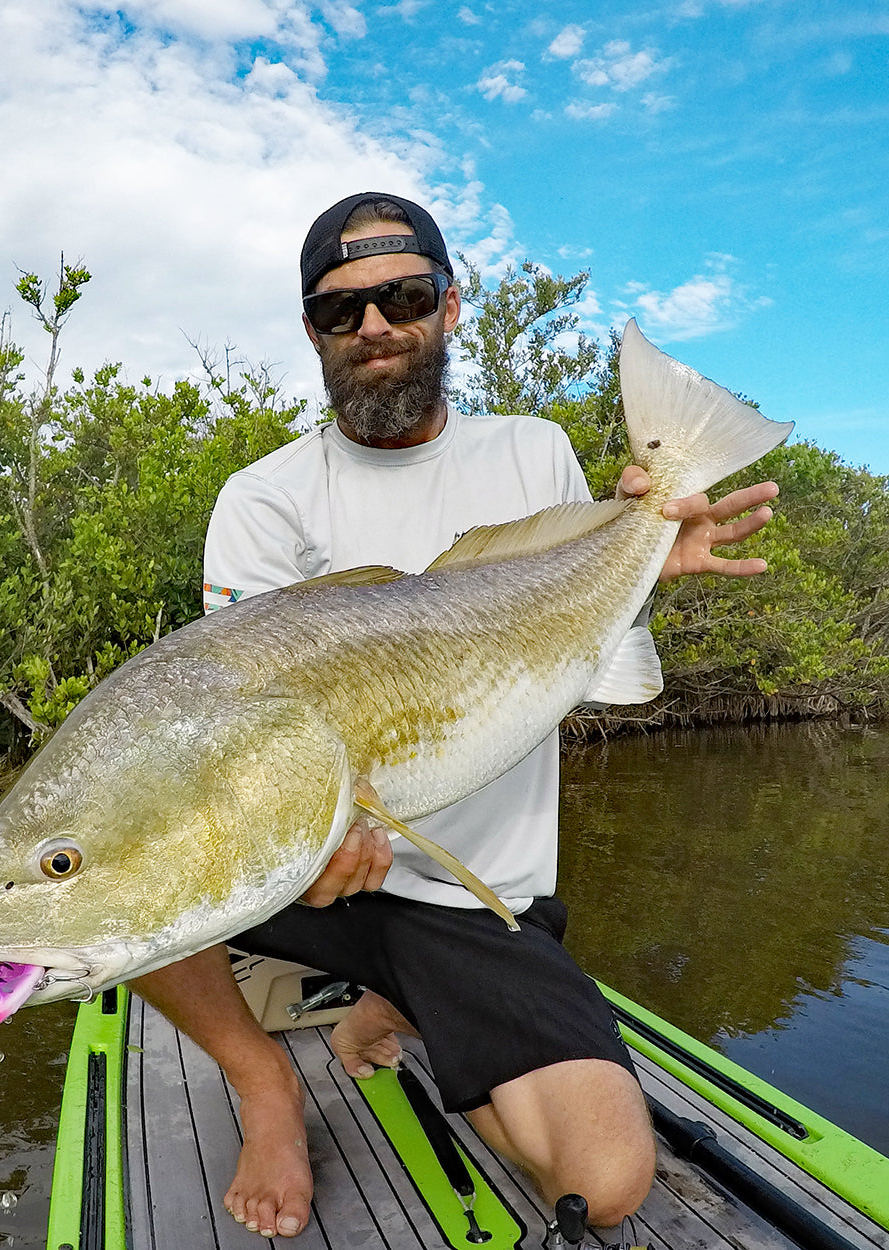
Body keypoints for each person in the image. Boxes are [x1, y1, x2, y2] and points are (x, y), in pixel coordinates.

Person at [132, 192, 780, 1239]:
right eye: (343, 309)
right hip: (310, 866)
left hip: (474, 895)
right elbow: (237, 715)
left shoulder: (530, 452)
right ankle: (264, 1087)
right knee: (127, 873)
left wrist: (644, 549)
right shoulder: (262, 498)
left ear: (449, 307)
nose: (375, 325)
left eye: (403, 295)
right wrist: (310, 841)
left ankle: (403, 996)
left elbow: (557, 637)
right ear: (312, 330)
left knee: (605, 1180)